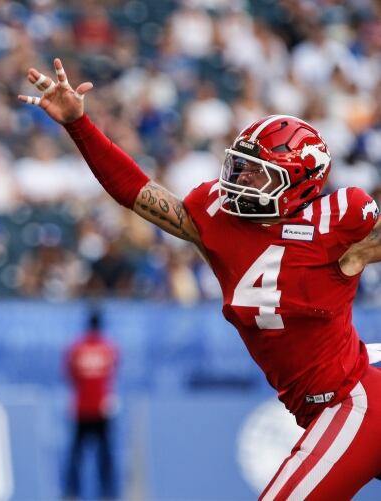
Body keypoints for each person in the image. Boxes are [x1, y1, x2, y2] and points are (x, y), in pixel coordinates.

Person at [20, 59, 381, 499]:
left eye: (259, 173)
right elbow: (136, 192)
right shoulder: (218, 219)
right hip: (319, 404)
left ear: (299, 184)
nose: (241, 179)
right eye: (241, 167)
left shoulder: (337, 224)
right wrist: (79, 125)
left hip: (353, 400)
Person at [65, 309, 119, 500]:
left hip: (81, 408)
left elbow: (70, 375)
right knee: (104, 454)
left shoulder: (77, 348)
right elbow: (113, 374)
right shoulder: (108, 348)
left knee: (77, 454)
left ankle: (72, 492)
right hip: (101, 408)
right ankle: (108, 493)